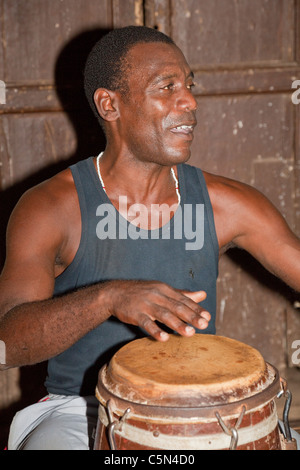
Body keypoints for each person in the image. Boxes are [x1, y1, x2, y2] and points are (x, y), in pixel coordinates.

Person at [1, 25, 299, 450]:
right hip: (80, 411)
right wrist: (108, 298)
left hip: (201, 409)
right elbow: (7, 343)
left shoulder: (227, 204)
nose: (191, 102)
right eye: (167, 87)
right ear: (110, 104)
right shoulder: (51, 207)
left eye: (190, 86)